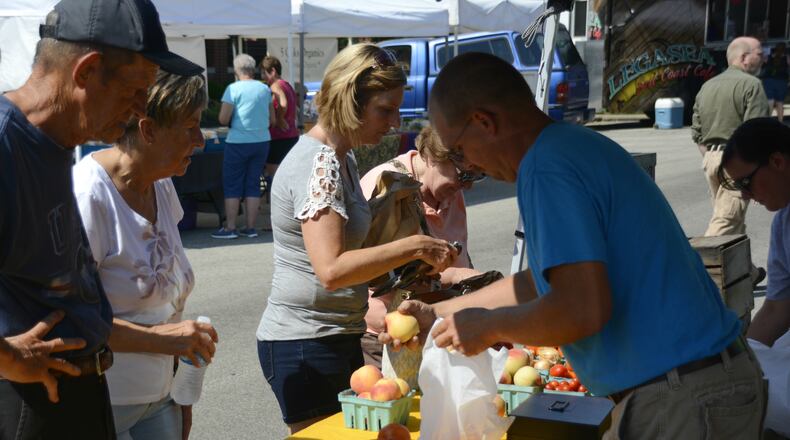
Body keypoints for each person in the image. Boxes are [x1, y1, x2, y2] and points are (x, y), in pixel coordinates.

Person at [380, 52, 766, 439]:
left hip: (683, 394)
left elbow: (580, 309)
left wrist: (488, 326)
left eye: (460, 150)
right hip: (694, 384)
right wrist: (442, 312)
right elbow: (541, 282)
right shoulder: (568, 147)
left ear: (485, 122)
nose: (470, 167)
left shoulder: (546, 168)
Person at [0, 0, 202, 437]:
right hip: (29, 405)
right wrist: (9, 358)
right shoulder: (6, 145)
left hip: (85, 395)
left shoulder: (56, 144)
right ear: (87, 71)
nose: (139, 109)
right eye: (135, 91)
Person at [255, 44, 457, 434]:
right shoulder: (320, 163)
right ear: (351, 100)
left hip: (331, 335)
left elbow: (354, 259)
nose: (395, 121)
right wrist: (413, 245)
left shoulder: (341, 158)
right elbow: (331, 270)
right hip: (305, 343)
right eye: (385, 109)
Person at [73, 71, 218, 440]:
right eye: (190, 128)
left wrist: (182, 392)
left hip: (161, 399)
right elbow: (71, 318)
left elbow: (171, 305)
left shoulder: (161, 185)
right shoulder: (88, 196)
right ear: (148, 129)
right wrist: (166, 340)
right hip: (100, 403)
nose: (200, 141)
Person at [358, 125, 482, 367]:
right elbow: (359, 267)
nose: (467, 186)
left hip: (433, 328)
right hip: (387, 336)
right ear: (433, 157)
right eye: (465, 175)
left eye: (477, 176)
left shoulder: (450, 193)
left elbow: (454, 265)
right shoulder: (385, 185)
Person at [718, 118, 790, 436]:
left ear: (777, 162)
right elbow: (777, 307)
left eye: (746, 182)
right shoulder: (784, 224)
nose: (745, 196)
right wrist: (742, 362)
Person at [691, 37, 769, 271]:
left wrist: (710, 157)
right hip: (737, 163)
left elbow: (697, 131)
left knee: (732, 218)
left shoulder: (708, 86)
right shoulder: (751, 85)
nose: (763, 56)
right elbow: (757, 131)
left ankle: (747, 272)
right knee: (725, 223)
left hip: (711, 160)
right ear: (744, 58)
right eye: (758, 52)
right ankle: (694, 271)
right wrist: (752, 172)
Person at [212, 54, 275, 239]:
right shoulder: (264, 89)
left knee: (232, 184)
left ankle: (231, 227)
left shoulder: (233, 89)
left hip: (238, 141)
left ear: (237, 70)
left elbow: (223, 118)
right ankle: (250, 227)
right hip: (262, 140)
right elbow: (272, 119)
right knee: (253, 183)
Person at [261, 56, 300, 206]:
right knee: (289, 179)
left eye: (264, 73)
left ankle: (276, 217)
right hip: (291, 136)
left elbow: (282, 102)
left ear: (273, 71)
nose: (263, 77)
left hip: (279, 137)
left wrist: (279, 117)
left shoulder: (276, 85)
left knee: (276, 181)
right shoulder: (287, 84)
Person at [762, 43, 789, 121]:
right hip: (782, 81)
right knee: (780, 102)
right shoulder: (787, 58)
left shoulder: (768, 57)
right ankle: (780, 122)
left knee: (770, 101)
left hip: (769, 81)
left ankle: (767, 121)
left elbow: (762, 62)